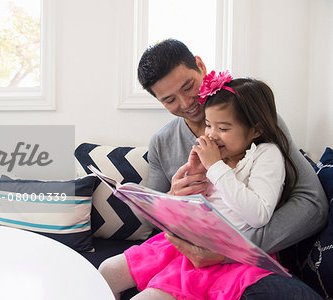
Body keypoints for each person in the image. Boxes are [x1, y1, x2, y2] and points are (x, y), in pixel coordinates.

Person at [99, 39, 328, 299]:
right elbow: (155, 222)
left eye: (188, 86)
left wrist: (228, 251)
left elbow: (313, 203)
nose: (187, 103)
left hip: (241, 249)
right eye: (170, 100)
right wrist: (172, 199)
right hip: (187, 245)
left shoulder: (254, 122)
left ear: (200, 65)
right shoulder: (162, 142)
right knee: (106, 272)